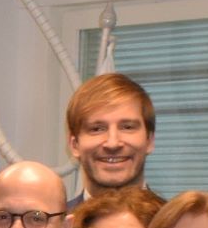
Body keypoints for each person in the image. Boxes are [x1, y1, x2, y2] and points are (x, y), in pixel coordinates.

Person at [63, 70, 156, 204]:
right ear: (74, 145)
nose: (113, 144)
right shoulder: (56, 218)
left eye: (127, 127)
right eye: (97, 129)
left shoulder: (175, 218)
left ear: (149, 140)